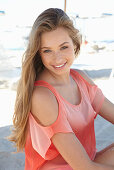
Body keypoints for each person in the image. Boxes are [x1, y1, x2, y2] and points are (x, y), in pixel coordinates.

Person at [9, 8, 114, 170]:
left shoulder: (81, 79)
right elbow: (85, 167)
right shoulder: (42, 96)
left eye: (64, 47)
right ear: (39, 54)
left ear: (75, 44)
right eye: (47, 50)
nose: (57, 58)